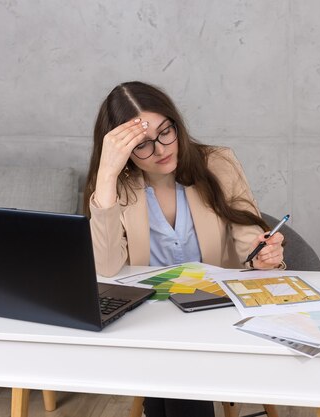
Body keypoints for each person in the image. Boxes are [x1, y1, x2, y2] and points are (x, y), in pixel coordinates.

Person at [83, 81, 285, 417]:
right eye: (143, 145)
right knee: (175, 372)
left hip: (214, 313)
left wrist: (264, 256)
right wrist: (106, 174)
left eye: (166, 132)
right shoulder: (112, 185)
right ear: (124, 151)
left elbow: (249, 235)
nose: (161, 149)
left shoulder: (218, 163)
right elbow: (106, 267)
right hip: (150, 319)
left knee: (177, 374)